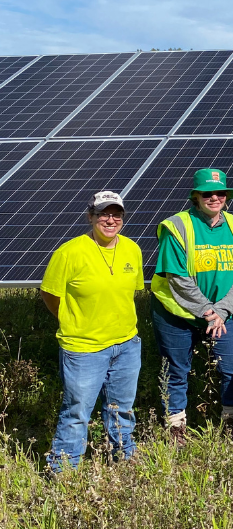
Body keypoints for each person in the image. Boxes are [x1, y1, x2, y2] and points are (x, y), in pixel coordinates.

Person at [41, 192, 145, 472]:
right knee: (77, 412)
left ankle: (123, 460)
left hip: (126, 345)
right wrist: (70, 319)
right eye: (103, 214)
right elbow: (50, 294)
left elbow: (128, 293)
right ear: (91, 217)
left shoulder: (132, 249)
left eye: (116, 214)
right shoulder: (69, 252)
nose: (110, 220)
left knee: (121, 408)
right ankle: (63, 471)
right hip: (83, 348)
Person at [150, 168, 233, 444]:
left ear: (227, 197)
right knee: (176, 370)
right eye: (207, 193)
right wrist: (208, 311)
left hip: (220, 314)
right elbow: (177, 277)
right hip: (176, 314)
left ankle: (232, 423)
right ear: (195, 196)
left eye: (220, 193)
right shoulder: (177, 226)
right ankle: (176, 429)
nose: (214, 197)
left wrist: (221, 312)